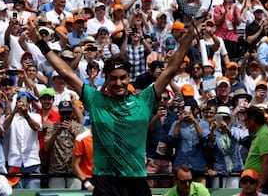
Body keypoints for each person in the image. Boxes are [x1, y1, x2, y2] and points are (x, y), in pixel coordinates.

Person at [30, 17, 198, 195]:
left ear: (128, 78)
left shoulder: (144, 100)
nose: (118, 82)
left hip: (136, 182)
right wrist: (40, 44)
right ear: (107, 80)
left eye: (123, 77)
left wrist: (190, 34)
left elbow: (171, 69)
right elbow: (66, 73)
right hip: (105, 182)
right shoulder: (95, 100)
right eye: (113, 78)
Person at [243, 106, 268, 196]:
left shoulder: (264, 135)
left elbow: (267, 161)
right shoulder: (261, 133)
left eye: (246, 120)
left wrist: (260, 184)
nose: (245, 124)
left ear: (252, 119)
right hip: (259, 180)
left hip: (265, 182)